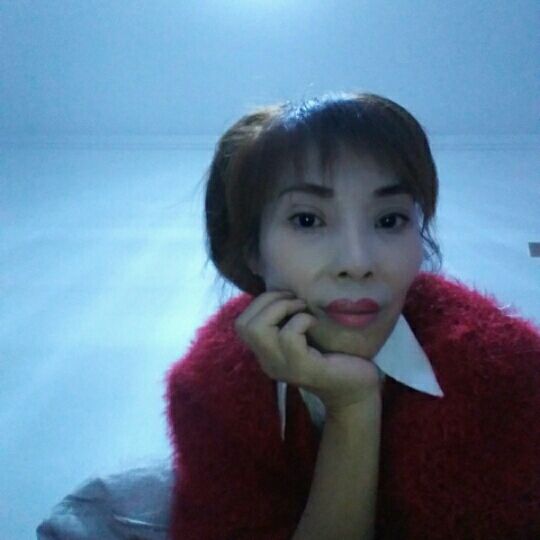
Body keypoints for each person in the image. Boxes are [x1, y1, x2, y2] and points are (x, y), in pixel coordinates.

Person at [164, 92, 540, 539]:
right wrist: (352, 408)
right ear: (251, 250)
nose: (358, 263)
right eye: (307, 220)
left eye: (389, 220)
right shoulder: (208, 388)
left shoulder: (507, 371)